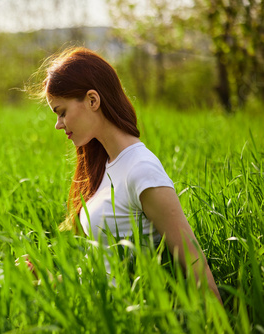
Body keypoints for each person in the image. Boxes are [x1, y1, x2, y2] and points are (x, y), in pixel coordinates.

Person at [28, 46, 222, 303]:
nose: (58, 124)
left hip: (115, 317)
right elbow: (104, 270)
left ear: (93, 100)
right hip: (84, 303)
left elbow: (196, 266)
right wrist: (48, 279)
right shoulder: (104, 166)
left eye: (62, 112)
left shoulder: (141, 170)